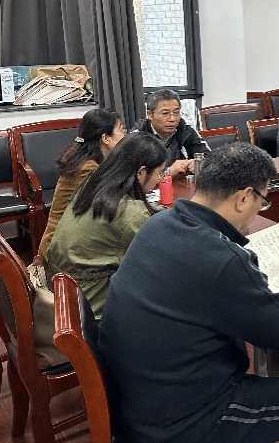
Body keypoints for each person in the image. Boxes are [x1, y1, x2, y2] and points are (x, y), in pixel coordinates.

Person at [98, 143, 279, 443]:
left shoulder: (158, 223)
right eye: (262, 201)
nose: (258, 210)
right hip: (182, 422)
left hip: (138, 403)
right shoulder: (220, 258)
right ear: (244, 198)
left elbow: (205, 273)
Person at [45, 133, 166, 319]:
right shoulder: (130, 213)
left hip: (64, 298)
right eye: (160, 173)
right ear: (141, 172)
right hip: (93, 314)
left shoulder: (91, 186)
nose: (160, 179)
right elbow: (160, 258)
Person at [37, 108, 126, 260]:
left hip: (69, 237)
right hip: (60, 246)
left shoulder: (86, 159)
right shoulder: (87, 168)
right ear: (106, 138)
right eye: (121, 130)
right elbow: (108, 203)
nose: (124, 135)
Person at [132, 89, 209, 177]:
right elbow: (130, 176)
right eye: (165, 113)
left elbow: (209, 157)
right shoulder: (137, 137)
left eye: (176, 112)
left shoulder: (186, 130)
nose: (172, 119)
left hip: (182, 183)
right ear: (150, 114)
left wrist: (199, 163)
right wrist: (167, 173)